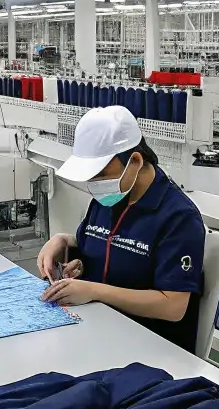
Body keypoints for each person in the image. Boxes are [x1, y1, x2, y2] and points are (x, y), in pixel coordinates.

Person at [37, 105, 206, 353]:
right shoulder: (108, 200)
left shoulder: (178, 217)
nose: (95, 183)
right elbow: (103, 247)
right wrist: (64, 243)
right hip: (98, 332)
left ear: (135, 161)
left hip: (150, 350)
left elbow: (173, 306)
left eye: (101, 173)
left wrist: (93, 291)